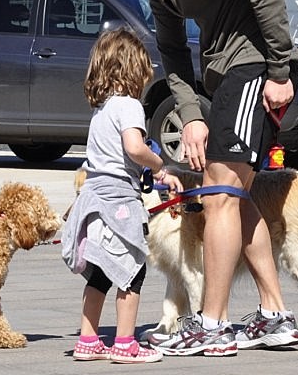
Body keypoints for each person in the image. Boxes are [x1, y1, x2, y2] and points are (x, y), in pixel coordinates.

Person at [70, 0, 298, 356]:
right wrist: (191, 115)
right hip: (227, 73)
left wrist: (279, 72)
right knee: (235, 195)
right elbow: (173, 51)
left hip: (253, 66)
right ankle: (274, 315)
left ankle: (212, 324)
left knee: (219, 195)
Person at [61, 28, 184, 364]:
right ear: (132, 70)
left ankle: (88, 340)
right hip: (119, 201)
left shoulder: (102, 110)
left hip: (95, 195)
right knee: (132, 272)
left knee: (101, 272)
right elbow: (134, 148)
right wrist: (158, 164)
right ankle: (125, 343)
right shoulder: (129, 106)